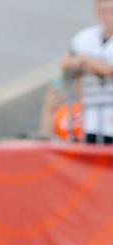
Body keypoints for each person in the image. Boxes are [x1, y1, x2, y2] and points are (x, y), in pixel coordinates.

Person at [61, 0, 113, 144]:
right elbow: (65, 62)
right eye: (102, 11)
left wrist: (84, 60)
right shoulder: (85, 37)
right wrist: (94, 66)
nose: (107, 16)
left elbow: (108, 70)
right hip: (90, 113)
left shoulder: (84, 51)